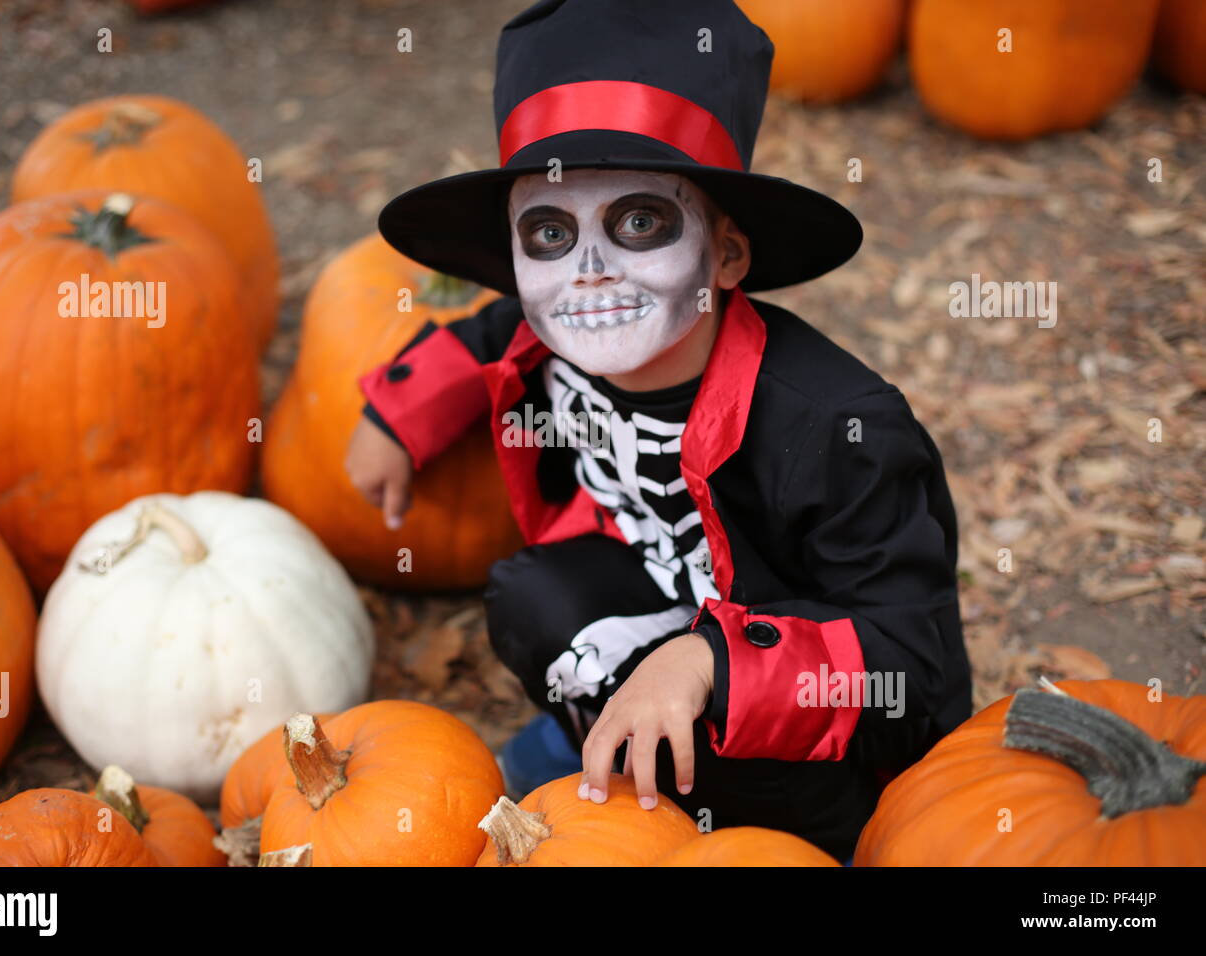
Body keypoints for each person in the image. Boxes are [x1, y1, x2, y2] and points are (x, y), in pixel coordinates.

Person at [345, 0, 971, 862]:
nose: (591, 273)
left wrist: (709, 660)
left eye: (640, 223)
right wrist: (396, 410)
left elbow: (914, 657)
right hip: (661, 591)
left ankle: (760, 831)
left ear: (726, 255)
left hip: (809, 701)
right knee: (534, 602)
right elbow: (491, 334)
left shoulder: (834, 427)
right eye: (551, 233)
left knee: (726, 740)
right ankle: (609, 752)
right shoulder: (554, 325)